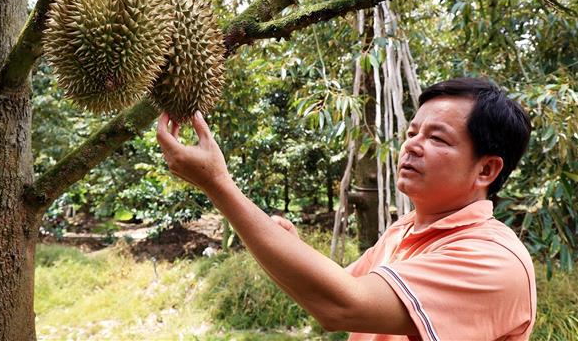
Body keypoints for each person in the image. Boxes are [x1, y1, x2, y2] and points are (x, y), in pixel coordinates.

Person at [156, 77, 536, 340]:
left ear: (486, 168)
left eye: (437, 137)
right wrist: (290, 244)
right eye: (412, 133)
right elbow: (338, 287)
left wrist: (217, 183)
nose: (412, 146)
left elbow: (340, 306)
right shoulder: (404, 230)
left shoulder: (493, 260)